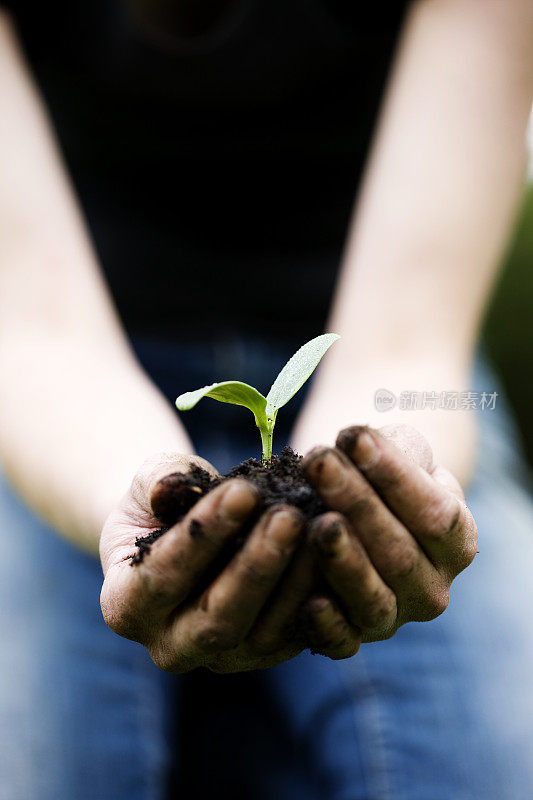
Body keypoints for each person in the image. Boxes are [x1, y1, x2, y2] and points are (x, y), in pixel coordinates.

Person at [1, 0, 533, 798]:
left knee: (484, 762)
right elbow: (32, 334)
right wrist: (140, 496)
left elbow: (406, 342)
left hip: (380, 373)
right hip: (59, 394)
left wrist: (370, 471)